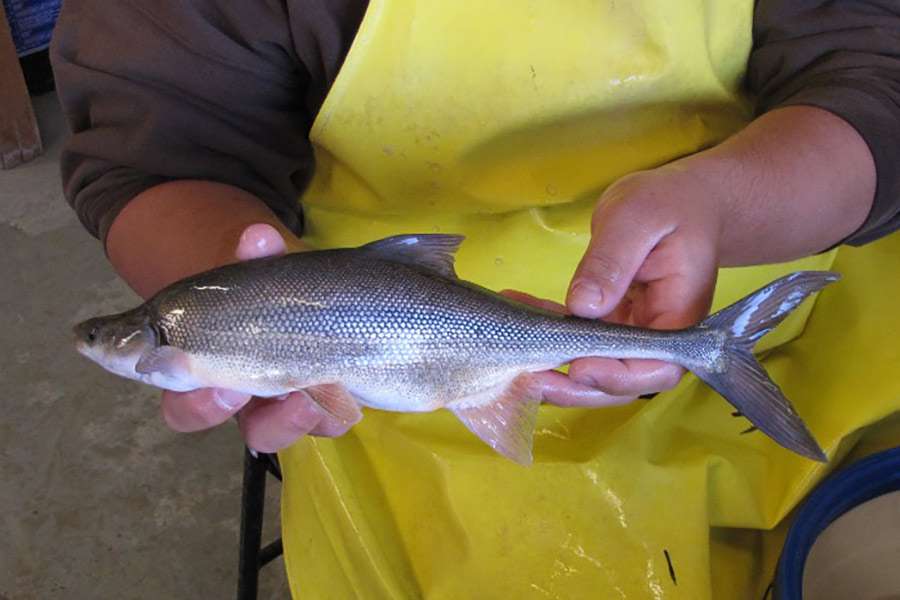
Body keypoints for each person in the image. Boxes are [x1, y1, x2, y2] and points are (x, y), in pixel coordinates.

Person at [52, 0, 900, 597]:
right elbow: (154, 143)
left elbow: (876, 71)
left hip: (791, 293)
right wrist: (264, 300)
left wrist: (720, 206)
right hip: (399, 413)